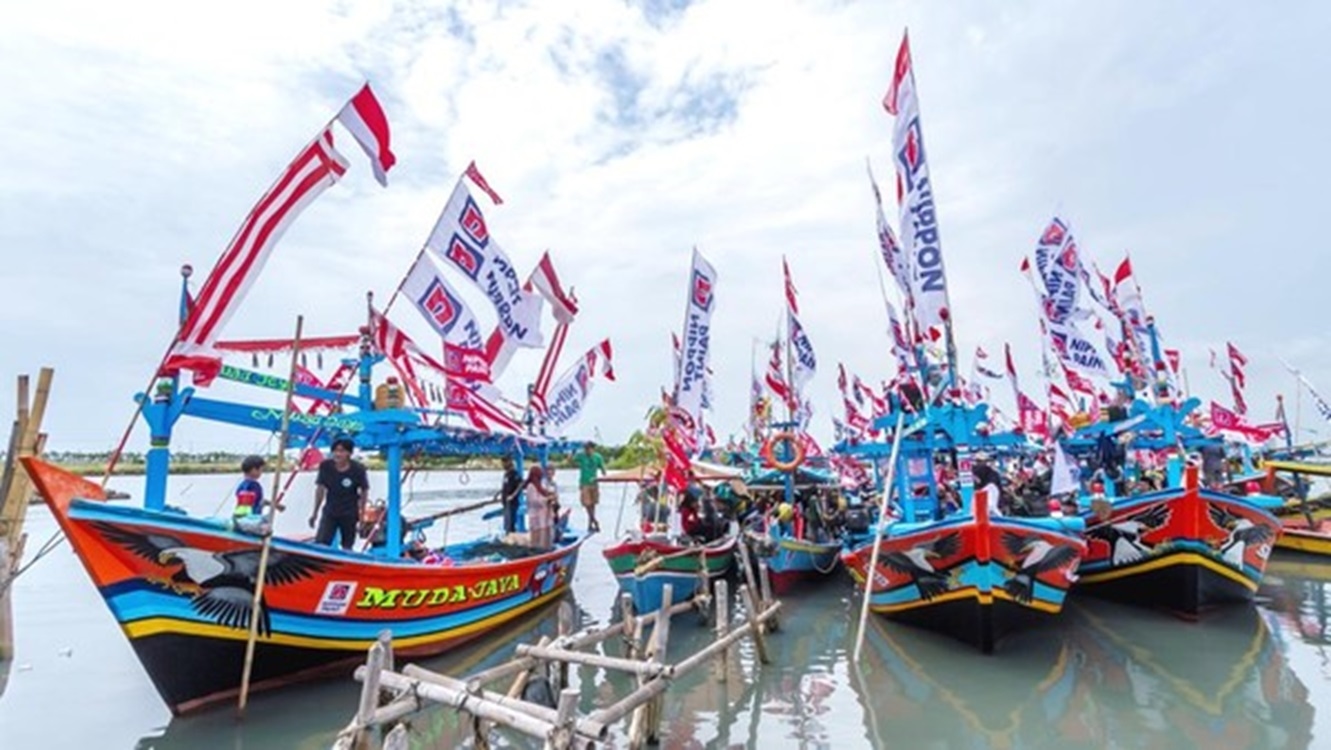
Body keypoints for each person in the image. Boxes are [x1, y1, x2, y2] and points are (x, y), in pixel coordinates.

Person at [309, 437, 370, 550]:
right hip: (330, 511)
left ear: (349, 453)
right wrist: (314, 513)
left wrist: (362, 517)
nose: (338, 454)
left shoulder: (358, 469)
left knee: (347, 544)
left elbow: (364, 491)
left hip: (349, 512)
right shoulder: (326, 466)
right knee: (321, 542)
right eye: (335, 451)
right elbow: (320, 489)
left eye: (342, 451)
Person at [233, 455, 281, 535]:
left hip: (242, 518)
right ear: (254, 470)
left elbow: (259, 501)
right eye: (261, 470)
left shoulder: (242, 485)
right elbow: (249, 502)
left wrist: (275, 505)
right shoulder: (253, 485)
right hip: (250, 520)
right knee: (267, 530)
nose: (261, 473)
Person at [574, 442, 607, 532]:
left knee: (593, 504)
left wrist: (605, 474)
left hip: (594, 483)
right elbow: (571, 460)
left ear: (593, 449)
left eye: (589, 449)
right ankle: (594, 521)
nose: (587, 451)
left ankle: (590, 524)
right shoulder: (581, 455)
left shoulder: (598, 457)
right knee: (587, 504)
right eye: (586, 449)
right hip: (584, 482)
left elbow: (602, 467)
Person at [523, 465, 556, 550]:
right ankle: (538, 551)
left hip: (544, 515)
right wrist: (547, 500)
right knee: (538, 535)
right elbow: (534, 501)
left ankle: (547, 549)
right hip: (536, 515)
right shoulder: (531, 486)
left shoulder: (539, 486)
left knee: (546, 533)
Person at [499, 456, 523, 535]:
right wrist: (499, 493)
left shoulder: (515, 474)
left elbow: (520, 485)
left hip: (512, 502)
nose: (503, 465)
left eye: (505, 462)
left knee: (511, 522)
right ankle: (508, 534)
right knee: (507, 522)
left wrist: (513, 495)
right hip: (505, 501)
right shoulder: (506, 474)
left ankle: (512, 536)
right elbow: (505, 486)